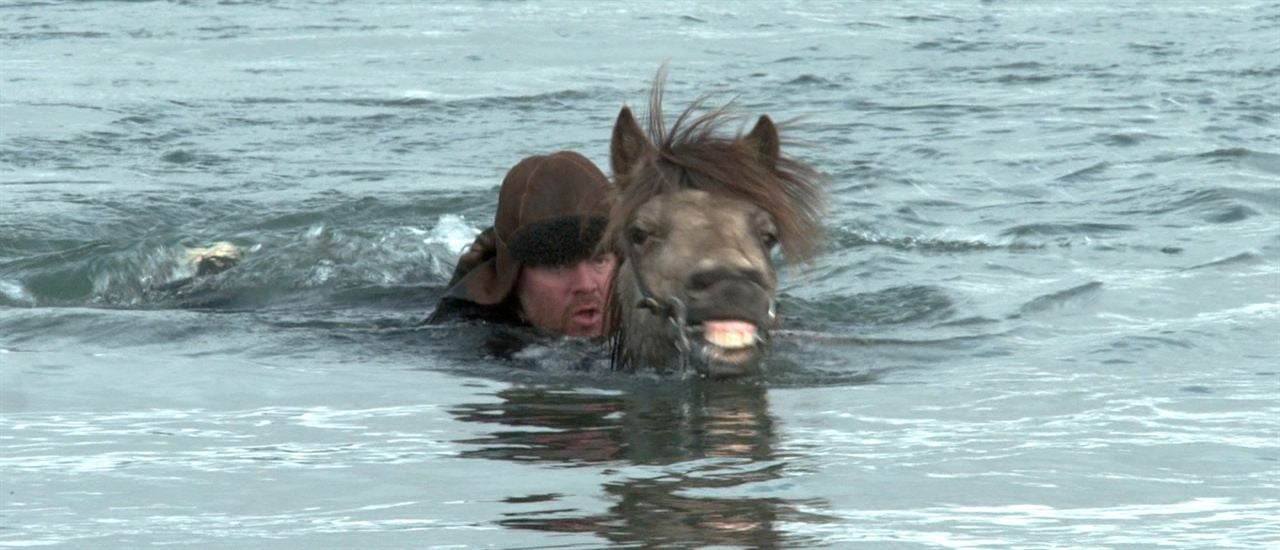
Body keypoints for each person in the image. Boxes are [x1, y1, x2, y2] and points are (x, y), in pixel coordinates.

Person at [426, 151, 617, 338]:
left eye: (599, 260)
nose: (586, 285)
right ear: (513, 282)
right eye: (558, 264)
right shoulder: (469, 340)